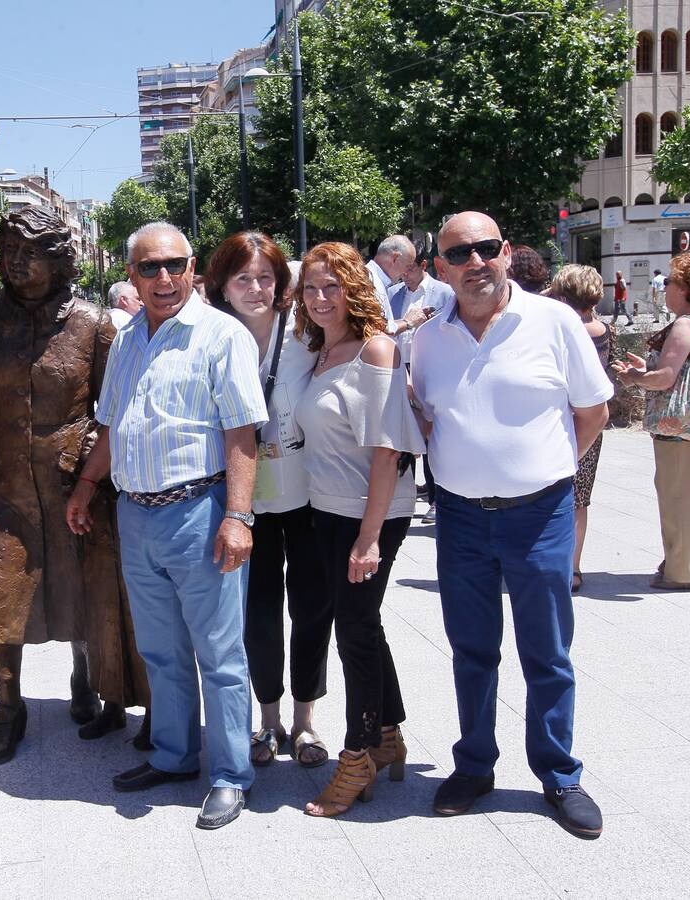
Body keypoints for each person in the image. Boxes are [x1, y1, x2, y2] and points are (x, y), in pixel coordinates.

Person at [413, 212, 611, 839]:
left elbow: (593, 411)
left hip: (540, 515)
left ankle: (559, 774)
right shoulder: (428, 339)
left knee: (546, 651)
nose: (476, 262)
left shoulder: (553, 321)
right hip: (461, 517)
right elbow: (424, 419)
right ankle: (474, 766)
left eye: (487, 248)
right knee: (472, 651)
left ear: (506, 253)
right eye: (460, 253)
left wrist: (547, 475)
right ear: (439, 267)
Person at [67, 221, 267, 831]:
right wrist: (86, 485)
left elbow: (242, 434)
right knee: (161, 649)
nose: (163, 278)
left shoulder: (221, 336)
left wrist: (237, 516)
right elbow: (111, 425)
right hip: (137, 515)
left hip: (200, 513)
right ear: (131, 275)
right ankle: (176, 755)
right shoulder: (128, 339)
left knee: (220, 654)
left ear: (194, 268)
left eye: (174, 265)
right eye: (149, 268)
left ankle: (231, 774)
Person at [0, 208, 148, 764]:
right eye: (6, 251)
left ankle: (87, 677)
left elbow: (112, 410)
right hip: (4, 485)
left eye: (28, 253)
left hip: (75, 484)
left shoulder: (93, 324)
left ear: (59, 260)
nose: (13, 264)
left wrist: (88, 470)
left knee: (85, 591)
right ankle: (8, 706)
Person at [285, 242, 425, 816]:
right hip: (328, 510)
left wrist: (368, 538)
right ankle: (388, 735)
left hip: (369, 514)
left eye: (332, 287)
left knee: (354, 633)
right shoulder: (323, 350)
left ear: (355, 289)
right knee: (362, 624)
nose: (320, 299)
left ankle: (358, 754)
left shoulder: (375, 350)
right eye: (311, 289)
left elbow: (388, 451)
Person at [202, 232, 325, 769]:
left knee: (312, 608)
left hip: (308, 495)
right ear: (222, 285)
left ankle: (305, 722)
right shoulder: (209, 337)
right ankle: (268, 721)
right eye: (243, 278)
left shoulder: (307, 334)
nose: (255, 288)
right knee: (257, 613)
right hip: (244, 501)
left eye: (265, 277)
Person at [611, 251, 690, 591]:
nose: (666, 288)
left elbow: (665, 378)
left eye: (672, 282)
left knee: (678, 496)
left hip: (680, 423)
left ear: (688, 288)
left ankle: (684, 571)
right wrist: (646, 369)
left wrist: (634, 377)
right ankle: (685, 563)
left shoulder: (685, 324)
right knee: (688, 495)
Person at [546, 265, 611, 593]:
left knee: (553, 495)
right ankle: (573, 568)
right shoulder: (604, 330)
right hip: (592, 423)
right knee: (579, 499)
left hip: (562, 422)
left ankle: (554, 565)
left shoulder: (563, 329)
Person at [387, 248, 453, 523]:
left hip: (430, 366)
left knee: (430, 430)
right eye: (401, 267)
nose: (405, 272)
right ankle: (409, 492)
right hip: (399, 366)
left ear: (424, 265)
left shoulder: (444, 293)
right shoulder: (393, 294)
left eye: (410, 267)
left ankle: (438, 499)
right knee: (405, 430)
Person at [365, 235, 415, 329]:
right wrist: (408, 322)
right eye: (408, 266)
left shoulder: (371, 278)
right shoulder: (372, 283)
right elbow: (381, 330)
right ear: (395, 258)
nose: (405, 273)